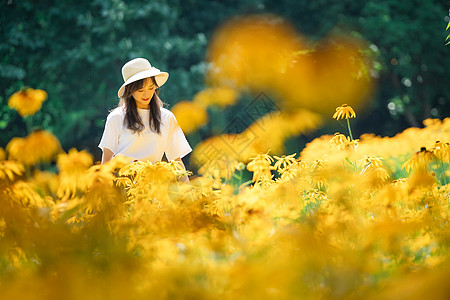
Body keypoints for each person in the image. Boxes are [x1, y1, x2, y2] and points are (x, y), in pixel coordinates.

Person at [98, 58, 192, 182]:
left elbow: (176, 161)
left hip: (153, 188)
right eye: (140, 90)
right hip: (122, 185)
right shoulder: (116, 118)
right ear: (130, 91)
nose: (146, 94)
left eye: (151, 87)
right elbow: (106, 162)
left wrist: (189, 195)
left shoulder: (166, 117)